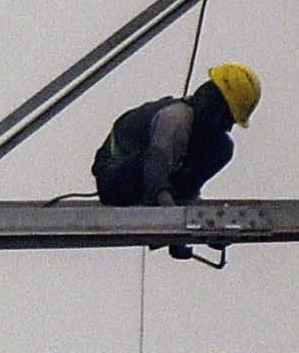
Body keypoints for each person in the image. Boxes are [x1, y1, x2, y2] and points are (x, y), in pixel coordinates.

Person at [94, 63, 261, 254]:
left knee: (222, 149)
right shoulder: (176, 118)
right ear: (215, 105)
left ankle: (164, 207)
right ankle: (161, 207)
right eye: (227, 118)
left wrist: (207, 230)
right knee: (159, 166)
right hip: (116, 178)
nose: (227, 126)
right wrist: (176, 230)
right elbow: (155, 165)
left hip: (155, 183)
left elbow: (188, 189)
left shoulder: (212, 142)